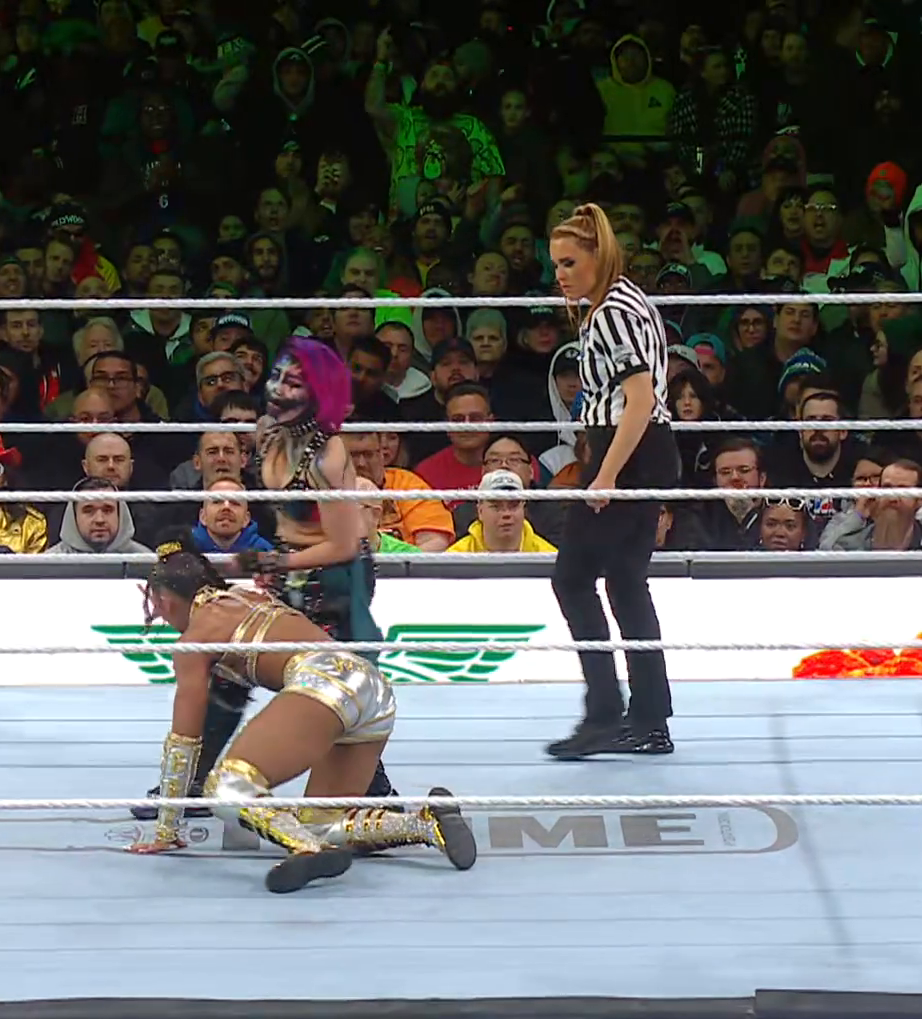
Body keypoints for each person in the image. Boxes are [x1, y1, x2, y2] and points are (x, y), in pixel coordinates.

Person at [133, 337, 398, 819]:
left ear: (317, 392)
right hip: (291, 565)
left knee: (341, 679)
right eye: (276, 375)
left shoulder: (328, 456)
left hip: (338, 578)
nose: (277, 388)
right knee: (231, 667)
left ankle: (374, 792)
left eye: (293, 382)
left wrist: (273, 564)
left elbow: (342, 545)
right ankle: (193, 783)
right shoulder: (268, 432)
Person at [129, 540, 477, 893]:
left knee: (227, 785)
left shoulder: (194, 641)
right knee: (322, 822)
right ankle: (425, 824)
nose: (160, 616)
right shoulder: (251, 596)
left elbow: (184, 742)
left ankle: (308, 849)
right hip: (374, 689)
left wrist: (166, 830)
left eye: (156, 606)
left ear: (164, 600)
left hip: (323, 683)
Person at [545, 203, 680, 760]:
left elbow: (639, 400)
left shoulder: (611, 313)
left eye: (569, 263)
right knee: (625, 583)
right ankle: (647, 719)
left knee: (573, 578)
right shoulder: (624, 300)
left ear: (598, 258)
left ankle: (605, 711)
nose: (560, 275)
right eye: (556, 265)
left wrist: (605, 475)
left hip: (629, 452)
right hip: (636, 450)